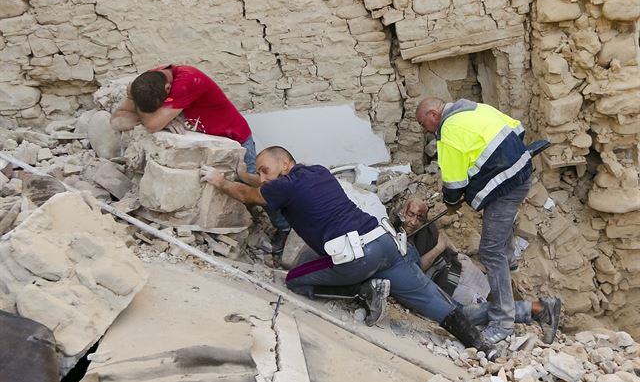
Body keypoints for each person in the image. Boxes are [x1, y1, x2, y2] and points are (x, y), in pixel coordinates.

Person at [200, 146, 497, 355]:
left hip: (357, 256)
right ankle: (483, 347)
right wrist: (247, 172)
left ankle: (365, 291)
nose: (262, 178)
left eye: (265, 171)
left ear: (285, 165)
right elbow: (264, 185)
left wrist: (220, 180)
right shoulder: (316, 171)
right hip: (385, 243)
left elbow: (248, 194)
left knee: (295, 279)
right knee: (432, 302)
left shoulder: (283, 186)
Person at [110, 64, 290, 251]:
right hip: (205, 143)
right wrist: (149, 111)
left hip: (236, 140)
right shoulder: (147, 83)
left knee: (262, 188)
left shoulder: (188, 80)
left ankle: (285, 228)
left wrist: (151, 116)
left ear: (168, 89)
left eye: (162, 107)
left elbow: (152, 124)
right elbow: (117, 120)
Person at [415, 97, 538, 343]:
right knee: (499, 230)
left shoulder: (448, 131)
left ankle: (503, 322)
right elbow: (517, 129)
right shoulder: (472, 108)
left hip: (506, 187)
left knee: (490, 252)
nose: (424, 130)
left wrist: (451, 203)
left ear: (432, 114)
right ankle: (509, 261)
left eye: (422, 123)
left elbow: (454, 183)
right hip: (523, 172)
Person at [396, 197, 561, 344]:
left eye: (420, 218)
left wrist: (442, 247)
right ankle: (537, 309)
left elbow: (420, 265)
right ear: (403, 210)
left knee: (463, 314)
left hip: (456, 279)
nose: (413, 222)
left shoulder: (425, 233)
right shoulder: (398, 230)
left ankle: (538, 309)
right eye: (411, 215)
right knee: (476, 310)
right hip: (455, 273)